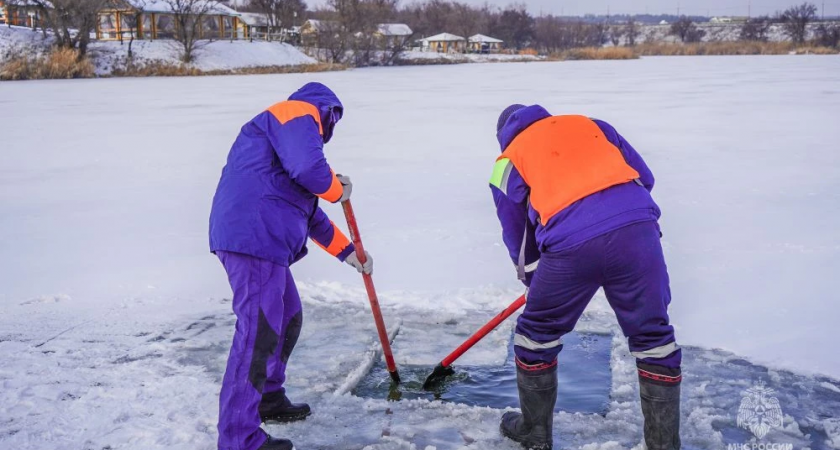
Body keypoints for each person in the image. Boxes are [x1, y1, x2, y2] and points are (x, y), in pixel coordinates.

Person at [490, 105, 682, 450]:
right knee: (654, 338)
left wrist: (535, 277)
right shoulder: (593, 125)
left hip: (570, 244)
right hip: (638, 230)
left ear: (503, 138)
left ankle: (534, 433)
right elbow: (643, 177)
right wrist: (629, 223)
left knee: (535, 337)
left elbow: (516, 231)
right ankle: (664, 446)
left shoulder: (506, 161)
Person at [209, 82, 373, 450]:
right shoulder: (297, 113)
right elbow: (310, 169)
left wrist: (351, 255)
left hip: (262, 240)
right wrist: (334, 187)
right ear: (328, 111)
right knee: (258, 332)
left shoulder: (285, 152)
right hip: (251, 235)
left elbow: (311, 214)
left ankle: (267, 396)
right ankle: (238, 437)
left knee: (287, 317)